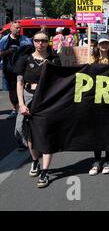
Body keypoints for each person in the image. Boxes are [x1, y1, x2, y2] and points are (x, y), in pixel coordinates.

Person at [15, 31, 61, 188]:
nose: (40, 43)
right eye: (37, 40)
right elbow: (20, 83)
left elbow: (59, 82)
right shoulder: (25, 60)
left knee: (46, 133)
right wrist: (21, 104)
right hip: (28, 97)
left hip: (46, 100)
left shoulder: (54, 59)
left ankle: (45, 172)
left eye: (43, 41)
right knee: (27, 133)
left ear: (48, 42)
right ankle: (35, 161)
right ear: (33, 42)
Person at [88, 34, 109, 176]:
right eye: (102, 44)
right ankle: (96, 161)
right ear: (98, 45)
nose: (104, 46)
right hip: (96, 99)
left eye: (107, 44)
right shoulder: (92, 59)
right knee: (96, 131)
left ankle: (107, 160)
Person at [0, 22, 32, 127]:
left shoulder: (25, 40)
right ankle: (14, 109)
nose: (19, 30)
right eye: (17, 28)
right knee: (11, 90)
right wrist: (8, 51)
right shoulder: (4, 40)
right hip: (8, 69)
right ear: (11, 29)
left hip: (21, 69)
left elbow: (31, 52)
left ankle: (22, 107)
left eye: (20, 28)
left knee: (23, 87)